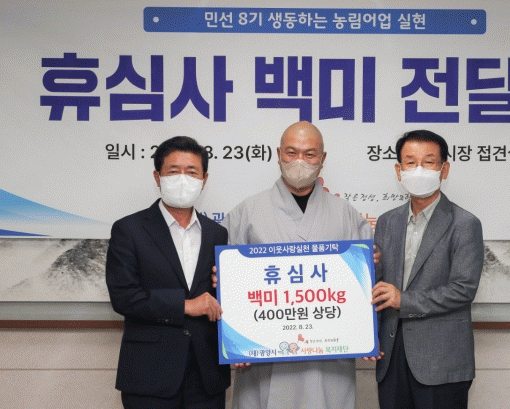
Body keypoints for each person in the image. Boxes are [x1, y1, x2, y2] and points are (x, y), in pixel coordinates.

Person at [222, 121, 373, 409]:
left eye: (309, 154)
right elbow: (226, 286)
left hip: (328, 360)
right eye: (291, 152)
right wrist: (233, 340)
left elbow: (365, 287)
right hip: (263, 359)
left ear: (322, 159)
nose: (299, 161)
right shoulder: (246, 212)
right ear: (278, 154)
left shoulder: (346, 214)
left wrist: (366, 328)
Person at [105, 136, 230, 409]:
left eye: (192, 172)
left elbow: (222, 300)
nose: (183, 179)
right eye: (173, 171)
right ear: (157, 176)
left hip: (207, 377)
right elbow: (124, 297)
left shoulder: (217, 233)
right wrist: (186, 305)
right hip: (150, 375)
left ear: (204, 179)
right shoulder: (129, 229)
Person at [372, 130, 484, 409]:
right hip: (390, 354)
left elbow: (463, 289)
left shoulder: (464, 223)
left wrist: (404, 300)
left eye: (428, 162)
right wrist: (369, 269)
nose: (418, 170)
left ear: (444, 169)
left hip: (440, 359)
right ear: (398, 170)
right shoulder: (387, 222)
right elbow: (379, 287)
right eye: (410, 162)